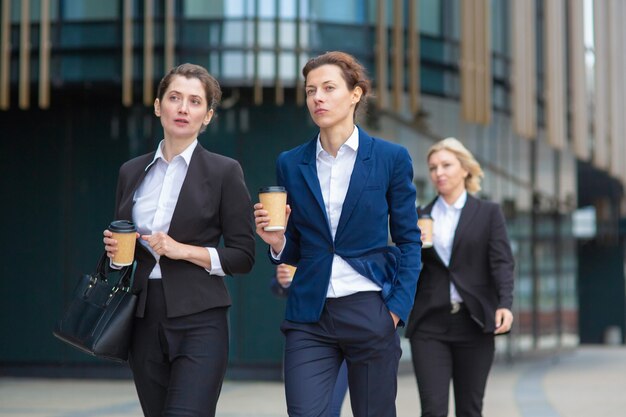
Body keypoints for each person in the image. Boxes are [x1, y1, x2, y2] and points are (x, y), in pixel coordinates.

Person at [254, 51, 422, 417]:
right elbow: (298, 245)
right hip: (309, 315)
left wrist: (395, 312)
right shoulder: (291, 163)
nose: (318, 98)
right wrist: (278, 242)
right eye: (311, 90)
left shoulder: (390, 158)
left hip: (370, 309)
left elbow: (409, 241)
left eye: (329, 88)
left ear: (356, 94)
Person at [103, 63, 255, 417]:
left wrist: (181, 250)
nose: (183, 108)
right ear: (158, 106)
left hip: (200, 318)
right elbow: (125, 250)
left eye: (194, 101)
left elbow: (243, 256)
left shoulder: (224, 171)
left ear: (208, 116)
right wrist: (114, 253)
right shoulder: (131, 171)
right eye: (174, 98)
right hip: (142, 317)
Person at [405, 137, 515, 417]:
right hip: (429, 324)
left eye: (446, 165)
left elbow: (501, 262)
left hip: (474, 322)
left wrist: (505, 303)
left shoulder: (488, 213)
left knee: (470, 410)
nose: (438, 173)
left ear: (465, 169)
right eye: (432, 167)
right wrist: (409, 246)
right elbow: (408, 268)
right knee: (432, 411)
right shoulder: (420, 216)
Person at [270, 264, 349, 417]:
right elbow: (276, 284)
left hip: (349, 326)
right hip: (308, 331)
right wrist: (284, 282)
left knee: (332, 407)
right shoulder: (300, 242)